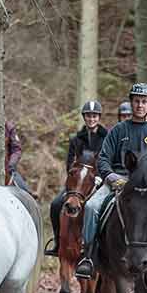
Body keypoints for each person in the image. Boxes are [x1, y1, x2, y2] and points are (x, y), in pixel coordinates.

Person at [75, 83, 147, 279]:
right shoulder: (117, 131)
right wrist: (112, 178)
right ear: (131, 103)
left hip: (145, 187)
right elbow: (103, 159)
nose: (140, 105)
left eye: (144, 102)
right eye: (136, 101)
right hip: (117, 181)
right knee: (91, 206)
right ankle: (87, 255)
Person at [44, 100, 108, 256]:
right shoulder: (76, 139)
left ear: (98, 118)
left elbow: (107, 159)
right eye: (88, 116)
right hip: (77, 184)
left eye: (94, 116)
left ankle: (103, 246)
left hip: (98, 182)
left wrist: (100, 177)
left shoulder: (106, 138)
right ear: (84, 117)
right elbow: (69, 164)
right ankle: (58, 242)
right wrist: (74, 179)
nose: (91, 119)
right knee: (56, 204)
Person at [4, 120, 31, 193]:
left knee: (25, 192)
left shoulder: (9, 127)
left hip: (7, 168)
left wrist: (11, 163)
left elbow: (16, 149)